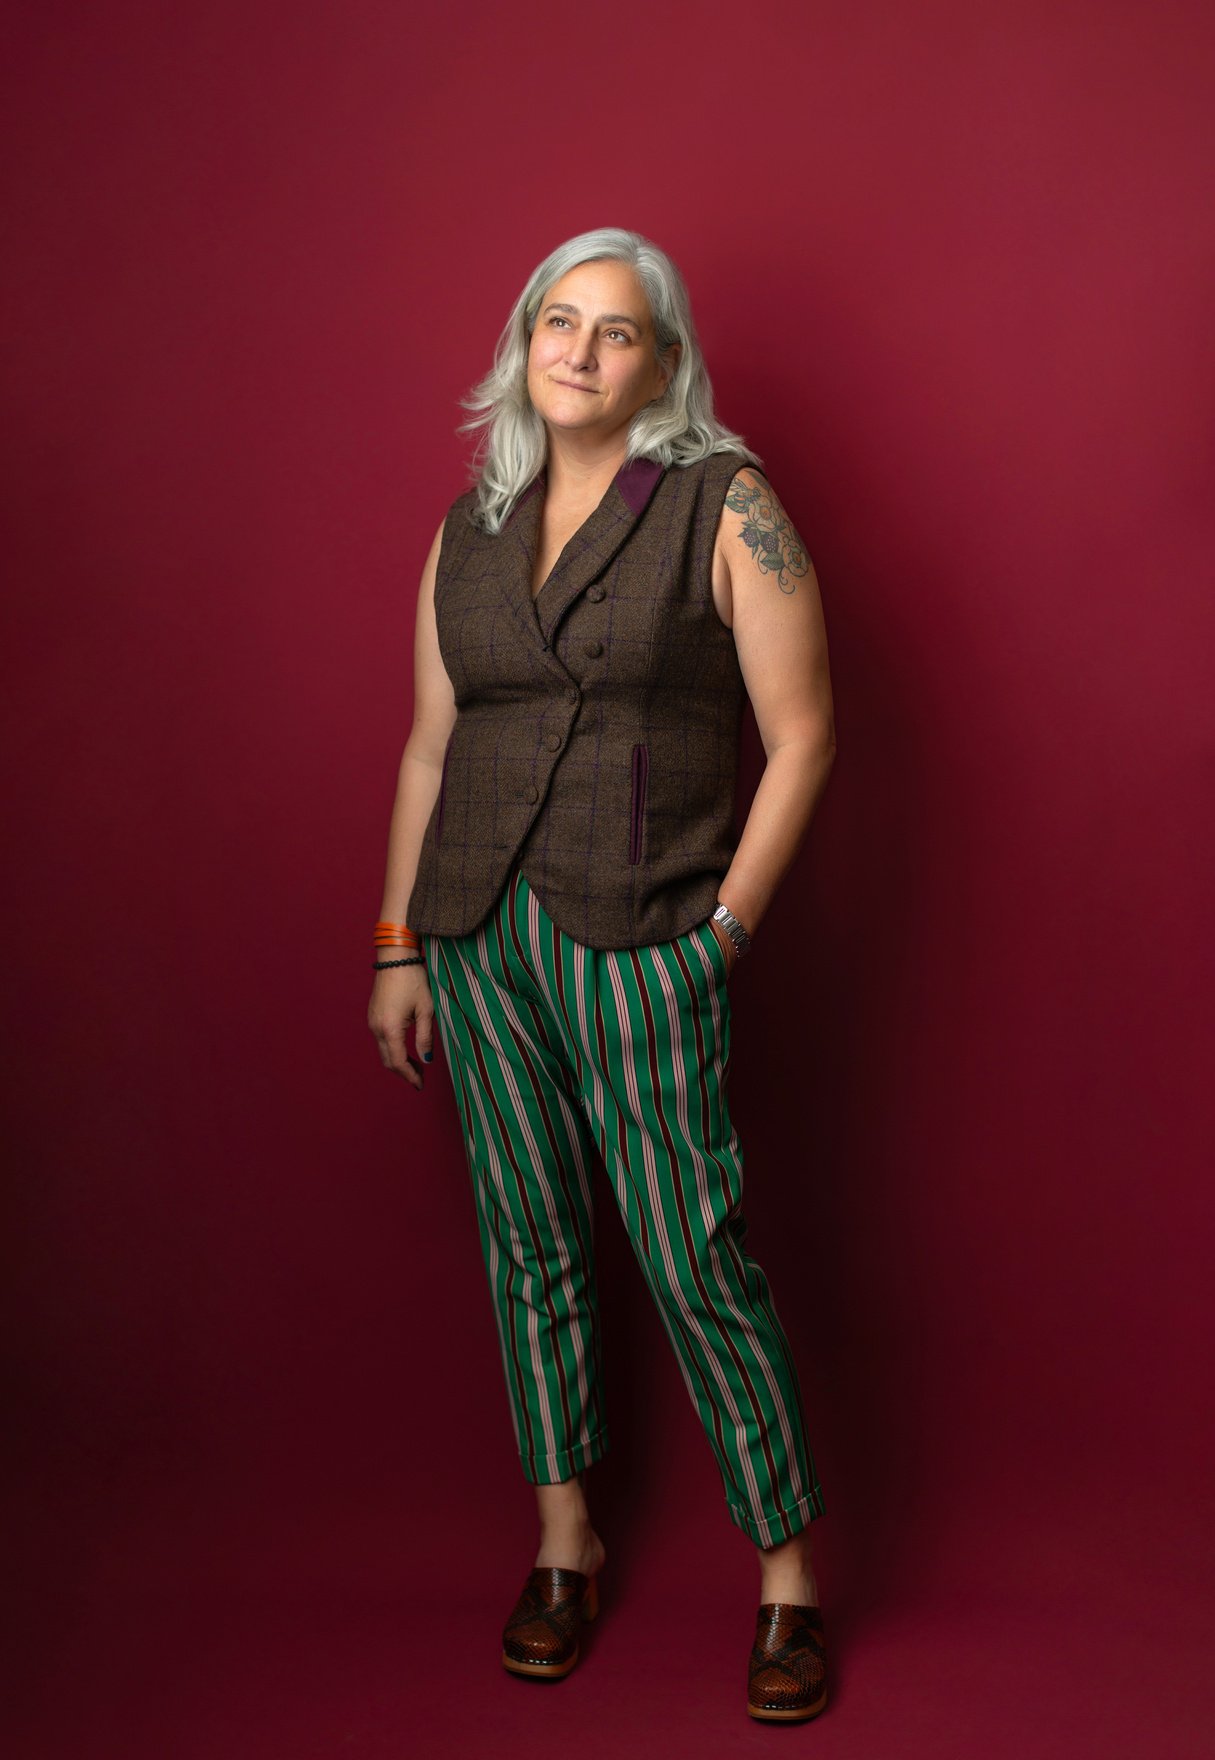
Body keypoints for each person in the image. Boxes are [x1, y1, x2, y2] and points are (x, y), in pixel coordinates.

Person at [368, 227, 837, 1722]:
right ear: (522, 346)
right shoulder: (469, 529)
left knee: (695, 1253)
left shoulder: (725, 505)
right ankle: (563, 1546)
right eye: (552, 323)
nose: (574, 351)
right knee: (531, 1245)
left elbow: (806, 733)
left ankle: (787, 1580)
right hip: (478, 935)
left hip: (644, 937)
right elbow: (433, 746)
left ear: (667, 362)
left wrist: (732, 931)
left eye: (614, 331)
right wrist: (397, 942)